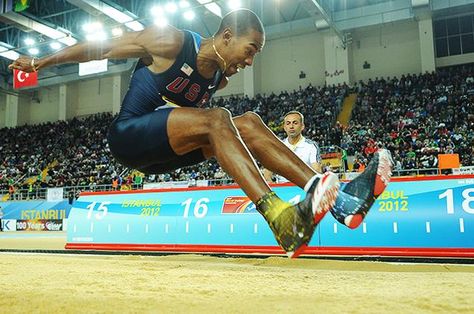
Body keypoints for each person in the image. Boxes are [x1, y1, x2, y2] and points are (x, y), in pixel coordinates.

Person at [9, 9, 392, 257]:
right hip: (128, 138)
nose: (250, 59)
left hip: (167, 153)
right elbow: (100, 48)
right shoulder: (171, 41)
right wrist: (41, 62)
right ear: (226, 36)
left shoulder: (218, 79)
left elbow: (214, 131)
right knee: (219, 118)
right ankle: (279, 218)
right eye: (250, 48)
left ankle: (338, 201)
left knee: (250, 124)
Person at [263, 111, 322, 182]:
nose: (291, 126)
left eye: (295, 123)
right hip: (283, 188)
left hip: (304, 187)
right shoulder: (278, 146)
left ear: (302, 126)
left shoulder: (311, 146)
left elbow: (317, 171)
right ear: (284, 127)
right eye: (288, 123)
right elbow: (267, 173)